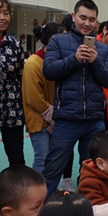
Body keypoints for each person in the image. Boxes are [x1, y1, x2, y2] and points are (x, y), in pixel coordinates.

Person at [42, 0, 108, 197]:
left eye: (92, 19)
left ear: (97, 23)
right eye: (83, 17)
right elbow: (48, 71)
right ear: (73, 17)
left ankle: (88, 213)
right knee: (53, 168)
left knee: (93, 171)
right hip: (66, 119)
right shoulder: (58, 41)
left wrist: (96, 62)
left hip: (94, 120)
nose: (87, 23)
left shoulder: (102, 49)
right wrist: (74, 59)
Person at [0, 0, 26, 216]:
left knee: (16, 156)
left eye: (6, 13)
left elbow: (21, 76)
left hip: (12, 109)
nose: (3, 17)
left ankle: (19, 196)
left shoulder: (15, 45)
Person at [22, 22, 65, 173]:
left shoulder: (59, 61)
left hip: (55, 117)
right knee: (42, 158)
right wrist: (53, 113)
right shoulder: (33, 63)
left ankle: (50, 191)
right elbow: (33, 98)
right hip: (39, 119)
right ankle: (38, 195)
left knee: (54, 159)